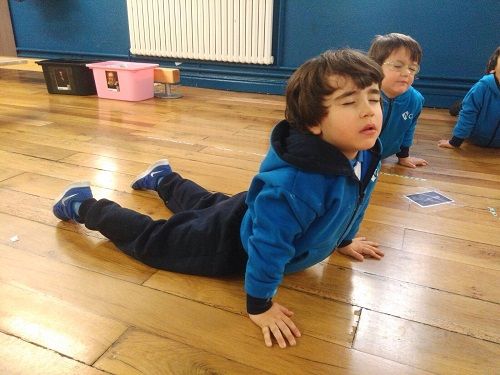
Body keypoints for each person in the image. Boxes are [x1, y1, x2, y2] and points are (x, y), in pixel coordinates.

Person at [52, 49, 385, 349]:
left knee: (208, 204)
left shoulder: (366, 154)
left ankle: (163, 178)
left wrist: (345, 239)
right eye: (349, 102)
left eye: (373, 98)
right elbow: (269, 247)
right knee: (156, 240)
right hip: (230, 244)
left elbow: (356, 199)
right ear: (314, 122)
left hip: (251, 212)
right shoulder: (294, 188)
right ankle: (83, 204)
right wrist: (260, 304)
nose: (368, 112)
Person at [368, 33, 428, 168]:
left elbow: (408, 129)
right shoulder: (363, 94)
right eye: (397, 66)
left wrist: (404, 156)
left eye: (412, 68)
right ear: (375, 66)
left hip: (380, 158)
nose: (406, 73)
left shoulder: (415, 100)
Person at [438, 46, 500, 149]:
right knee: (462, 107)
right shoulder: (483, 86)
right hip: (476, 137)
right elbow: (468, 113)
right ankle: (458, 105)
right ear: (493, 69)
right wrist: (455, 142)